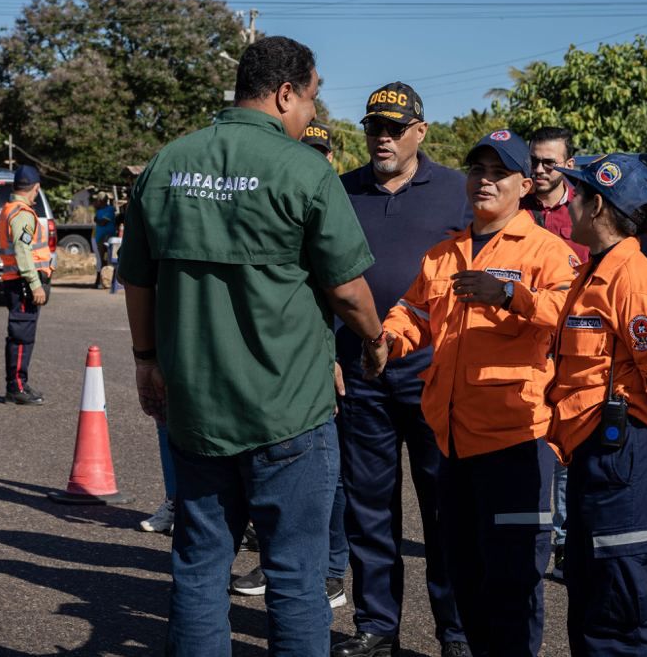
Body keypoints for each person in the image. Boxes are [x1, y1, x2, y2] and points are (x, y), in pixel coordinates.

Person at [120, 35, 388, 656]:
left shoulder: (168, 163)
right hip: (287, 410)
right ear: (285, 93)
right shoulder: (304, 170)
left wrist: (145, 361)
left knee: (198, 567)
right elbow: (349, 292)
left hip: (196, 410)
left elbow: (137, 277)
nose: (313, 115)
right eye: (313, 100)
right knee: (295, 576)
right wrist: (374, 342)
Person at [380, 129, 578, 657]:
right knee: (464, 574)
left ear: (523, 185)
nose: (484, 181)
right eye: (477, 170)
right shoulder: (445, 253)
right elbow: (414, 313)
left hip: (515, 441)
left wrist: (512, 294)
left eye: (498, 172)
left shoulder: (547, 251)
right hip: (452, 442)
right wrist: (389, 339)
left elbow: (572, 318)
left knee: (511, 584)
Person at [547, 154, 647, 656]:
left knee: (619, 619)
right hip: (595, 458)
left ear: (597, 205)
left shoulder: (631, 278)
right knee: (590, 604)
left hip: (627, 458)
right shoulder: (594, 272)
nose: (568, 202)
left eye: (576, 195)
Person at [331, 83, 470, 657]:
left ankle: (457, 633)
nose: (382, 138)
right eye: (373, 128)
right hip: (360, 374)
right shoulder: (340, 192)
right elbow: (315, 277)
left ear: (420, 131)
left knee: (445, 510)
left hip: (432, 374)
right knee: (369, 508)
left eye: (393, 127)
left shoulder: (458, 193)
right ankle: (376, 627)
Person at [229, 116, 352, 612]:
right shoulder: (282, 193)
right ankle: (286, 561)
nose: (314, 157)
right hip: (298, 358)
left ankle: (331, 571)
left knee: (331, 474)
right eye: (307, 147)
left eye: (321, 151)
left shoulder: (331, 196)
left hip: (343, 351)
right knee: (290, 469)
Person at [523, 126, 587, 582]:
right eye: (535, 161)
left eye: (551, 162)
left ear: (569, 163)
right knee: (533, 446)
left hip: (575, 350)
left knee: (568, 447)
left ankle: (565, 540)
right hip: (526, 348)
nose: (541, 170)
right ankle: (531, 538)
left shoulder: (585, 210)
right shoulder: (516, 209)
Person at [0, 165, 52, 406]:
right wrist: (35, 284)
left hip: (18, 281)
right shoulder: (21, 213)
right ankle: (16, 386)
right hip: (23, 283)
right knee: (22, 335)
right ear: (36, 188)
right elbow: (23, 250)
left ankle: (18, 383)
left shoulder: (11, 209)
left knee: (22, 334)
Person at [91, 192, 117, 288]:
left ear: (101, 200)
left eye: (97, 200)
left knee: (107, 260)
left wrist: (96, 220)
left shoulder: (110, 210)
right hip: (99, 238)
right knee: (100, 259)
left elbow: (103, 222)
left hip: (106, 238)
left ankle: (105, 281)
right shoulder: (99, 210)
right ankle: (101, 281)